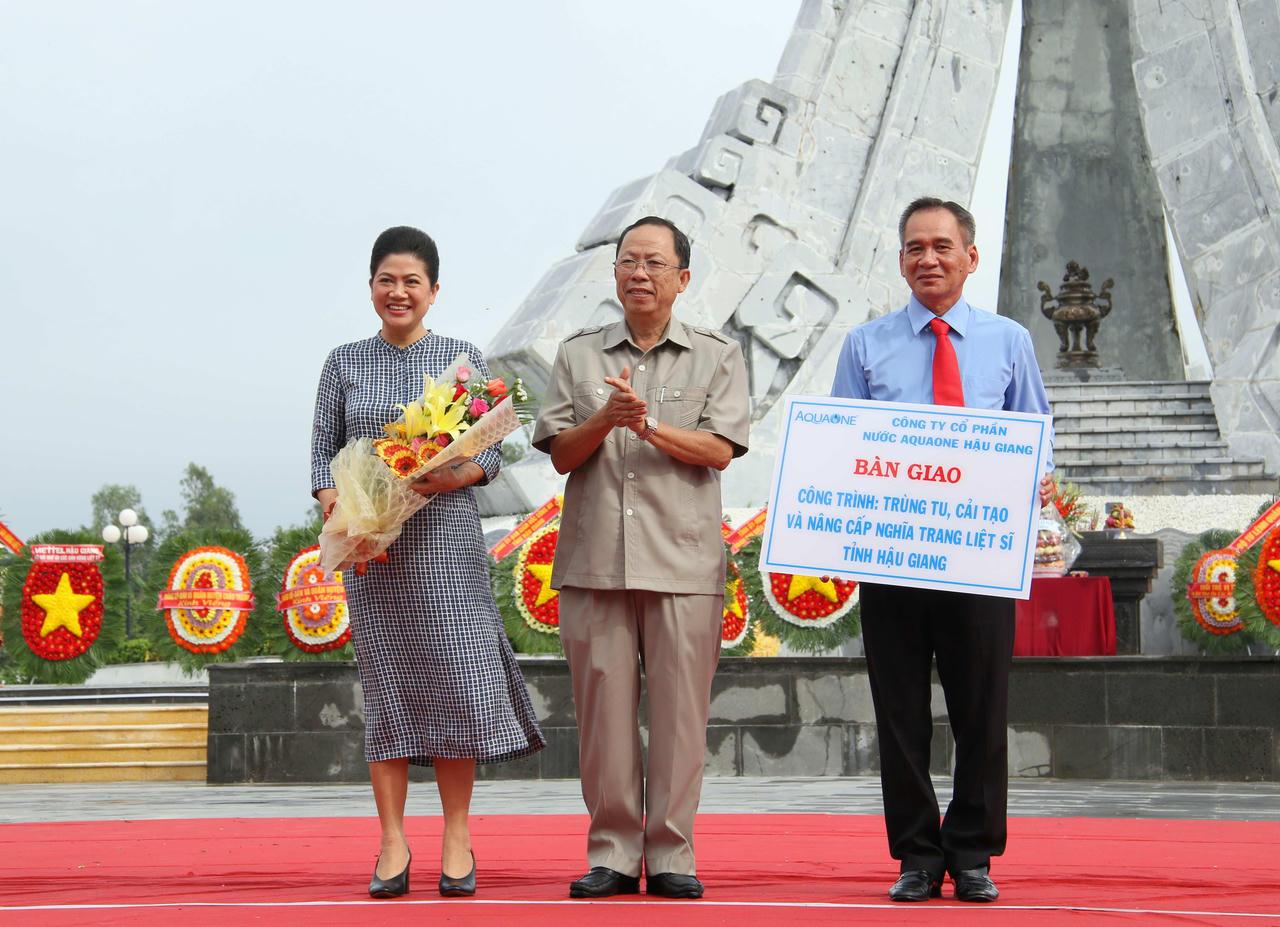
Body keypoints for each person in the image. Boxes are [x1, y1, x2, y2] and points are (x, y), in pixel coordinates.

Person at [311, 225, 545, 900]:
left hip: (446, 544)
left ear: (434, 291)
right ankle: (390, 839)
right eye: (387, 279)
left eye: (412, 280)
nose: (399, 291)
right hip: (373, 556)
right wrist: (345, 516)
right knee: (388, 691)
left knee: (455, 684)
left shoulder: (463, 359)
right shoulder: (342, 362)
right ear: (371, 287)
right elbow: (320, 457)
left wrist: (467, 469)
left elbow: (509, 437)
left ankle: (456, 833)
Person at [830, 197, 1053, 904]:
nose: (928, 258)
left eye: (942, 246)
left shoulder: (1010, 341)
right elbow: (840, 445)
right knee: (898, 712)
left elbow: (1034, 442)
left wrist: (1026, 507)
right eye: (914, 248)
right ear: (900, 260)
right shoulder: (865, 345)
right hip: (892, 559)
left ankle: (975, 851)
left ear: (970, 256)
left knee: (981, 708)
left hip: (979, 560)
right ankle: (918, 856)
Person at [531, 216, 750, 900]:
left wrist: (648, 422)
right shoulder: (578, 355)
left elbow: (719, 450)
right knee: (604, 717)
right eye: (629, 261)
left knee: (683, 714)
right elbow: (562, 454)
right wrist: (607, 417)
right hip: (596, 561)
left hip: (683, 562)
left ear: (683, 278)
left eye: (655, 263)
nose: (640, 273)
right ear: (614, 272)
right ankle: (615, 852)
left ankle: (673, 848)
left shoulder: (718, 355)